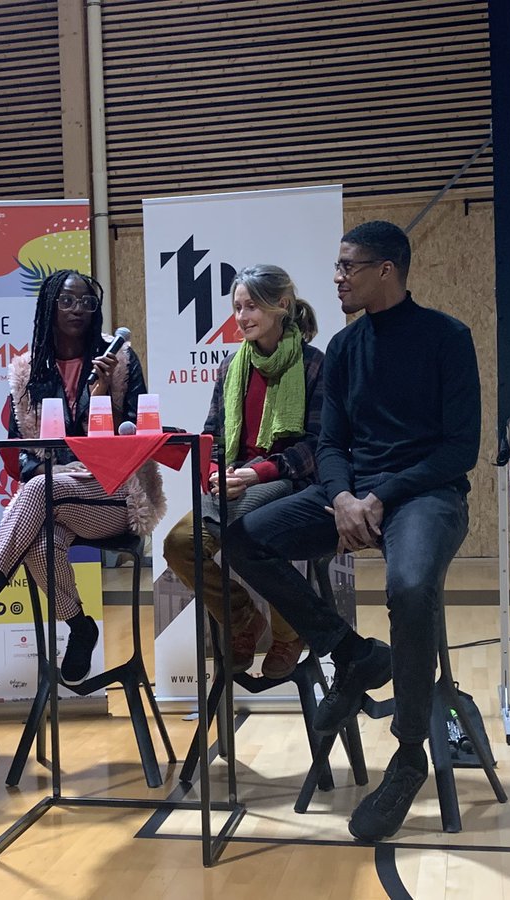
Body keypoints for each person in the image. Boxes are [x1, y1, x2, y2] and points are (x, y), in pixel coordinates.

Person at [223, 221, 480, 842]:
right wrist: (340, 497)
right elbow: (330, 443)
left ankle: (410, 752)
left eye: (348, 267)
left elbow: (459, 449)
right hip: (351, 493)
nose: (336, 278)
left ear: (386, 269)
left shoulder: (447, 338)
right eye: (337, 267)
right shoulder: (343, 346)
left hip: (425, 495)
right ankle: (352, 651)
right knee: (243, 539)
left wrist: (378, 496)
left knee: (412, 588)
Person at [0, 270, 166, 686]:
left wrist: (104, 392)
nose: (78, 310)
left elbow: (134, 439)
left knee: (37, 490)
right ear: (48, 306)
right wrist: (53, 470)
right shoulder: (25, 372)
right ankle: (79, 625)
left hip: (116, 494)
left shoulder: (121, 361)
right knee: (40, 540)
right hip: (58, 494)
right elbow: (22, 453)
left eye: (87, 302)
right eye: (68, 301)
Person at [162, 264, 324, 680]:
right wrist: (217, 471)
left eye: (252, 306)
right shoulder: (231, 369)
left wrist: (256, 474)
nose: (242, 316)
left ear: (281, 306)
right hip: (234, 480)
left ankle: (290, 633)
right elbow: (212, 436)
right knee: (179, 544)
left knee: (249, 536)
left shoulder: (313, 365)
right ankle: (243, 620)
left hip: (287, 481)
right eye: (237, 307)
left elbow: (318, 447)